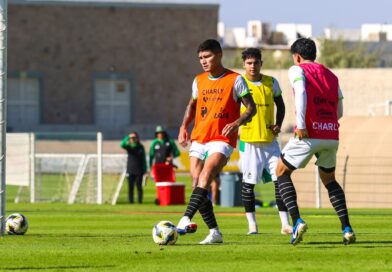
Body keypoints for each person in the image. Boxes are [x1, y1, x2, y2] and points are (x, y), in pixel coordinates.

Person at [276, 38, 356, 245]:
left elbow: (301, 92)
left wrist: (301, 124)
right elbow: (340, 110)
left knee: (281, 172)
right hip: (331, 134)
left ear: (297, 56)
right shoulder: (332, 75)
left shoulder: (297, 69)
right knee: (329, 180)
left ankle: (296, 222)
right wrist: (327, 124)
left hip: (308, 132)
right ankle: (346, 228)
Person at [176, 39, 256, 244]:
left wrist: (237, 122)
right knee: (197, 183)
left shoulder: (236, 80)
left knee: (206, 175)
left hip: (222, 139)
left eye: (207, 56)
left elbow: (251, 108)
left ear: (219, 55)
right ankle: (215, 232)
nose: (203, 61)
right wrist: (184, 126)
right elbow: (192, 105)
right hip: (200, 137)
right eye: (200, 58)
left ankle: (185, 219)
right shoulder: (198, 80)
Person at [239, 48, 292, 235]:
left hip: (271, 143)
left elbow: (282, 105)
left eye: (256, 62)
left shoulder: (271, 82)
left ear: (261, 63)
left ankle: (285, 224)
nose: (252, 66)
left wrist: (278, 124)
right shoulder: (239, 83)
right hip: (249, 142)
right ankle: (252, 225)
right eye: (249, 63)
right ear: (244, 64)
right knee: (248, 184)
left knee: (281, 181)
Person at [120, 131, 147, 204]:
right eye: (132, 138)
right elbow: (122, 144)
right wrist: (128, 137)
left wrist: (145, 170)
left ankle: (139, 201)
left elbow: (143, 159)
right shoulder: (128, 146)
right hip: (130, 169)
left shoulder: (140, 147)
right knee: (130, 187)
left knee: (139, 187)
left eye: (134, 137)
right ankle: (130, 201)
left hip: (139, 170)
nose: (133, 139)